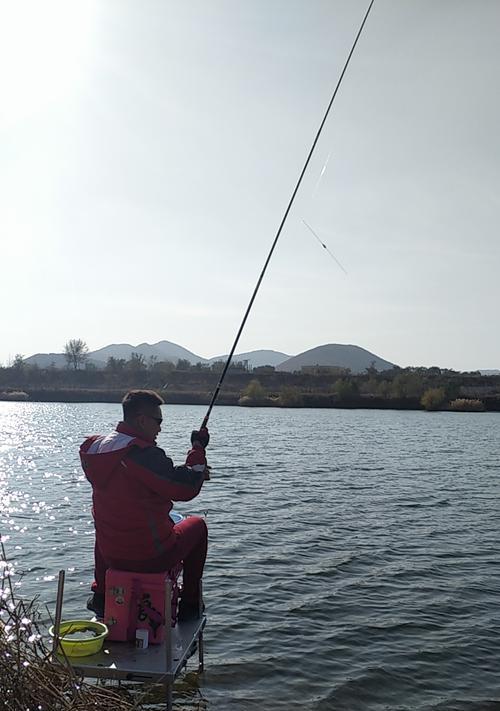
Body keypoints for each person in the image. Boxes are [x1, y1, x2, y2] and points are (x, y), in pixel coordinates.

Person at [79, 389, 209, 621]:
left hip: (110, 556)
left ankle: (100, 594)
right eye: (158, 421)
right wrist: (198, 449)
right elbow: (186, 488)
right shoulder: (143, 454)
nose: (160, 428)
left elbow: (138, 482)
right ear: (141, 420)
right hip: (150, 556)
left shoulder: (96, 448)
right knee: (198, 526)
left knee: (107, 522)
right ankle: (190, 605)